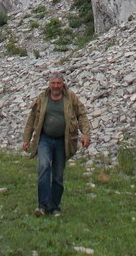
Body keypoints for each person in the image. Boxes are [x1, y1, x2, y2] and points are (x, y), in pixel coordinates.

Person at [21, 72, 91, 216]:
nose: (56, 86)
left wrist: (86, 135)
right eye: (53, 83)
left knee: (58, 175)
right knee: (44, 168)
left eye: (58, 83)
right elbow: (32, 118)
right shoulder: (42, 98)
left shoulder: (70, 98)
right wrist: (26, 139)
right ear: (49, 84)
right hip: (45, 139)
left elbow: (82, 115)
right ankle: (42, 206)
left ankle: (55, 207)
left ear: (63, 84)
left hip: (63, 141)